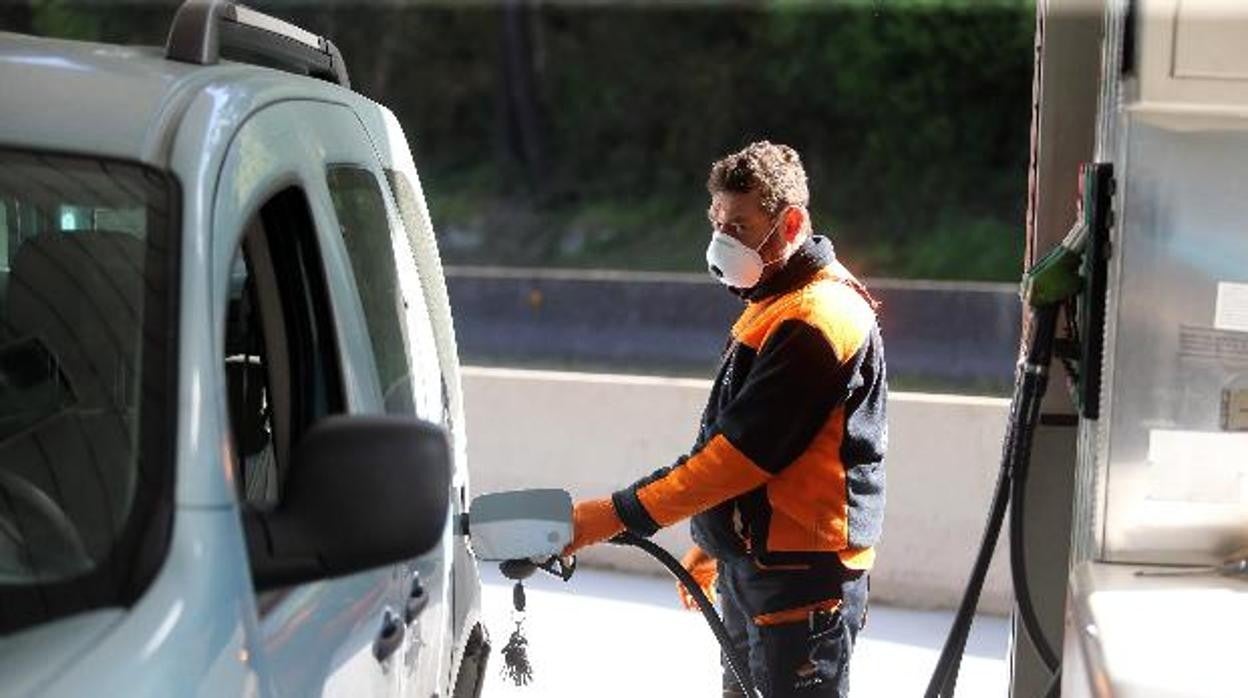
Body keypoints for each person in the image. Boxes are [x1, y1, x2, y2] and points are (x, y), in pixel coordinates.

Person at [563, 141, 888, 697]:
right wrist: (720, 539)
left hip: (799, 581)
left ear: (790, 223)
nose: (722, 239)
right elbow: (744, 444)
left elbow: (740, 456)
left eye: (739, 224)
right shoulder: (774, 304)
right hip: (761, 566)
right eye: (717, 221)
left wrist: (614, 515)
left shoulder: (819, 317)